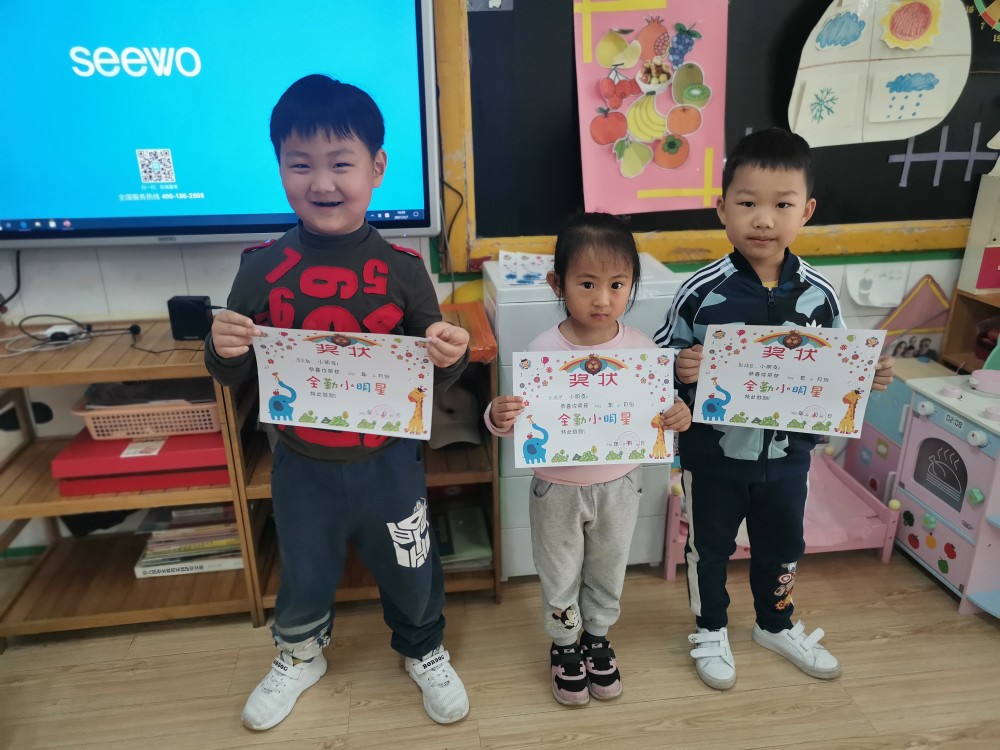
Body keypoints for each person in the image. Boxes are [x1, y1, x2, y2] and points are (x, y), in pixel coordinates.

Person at [205, 74, 472, 730]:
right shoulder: (259, 267)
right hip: (301, 465)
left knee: (411, 565)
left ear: (377, 168)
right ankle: (301, 655)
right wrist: (223, 346)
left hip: (390, 465)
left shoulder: (406, 269)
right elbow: (231, 371)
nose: (321, 182)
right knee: (304, 569)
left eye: (340, 163)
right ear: (279, 167)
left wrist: (449, 354)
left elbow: (432, 375)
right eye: (300, 164)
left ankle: (423, 647)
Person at [654, 128, 895, 691]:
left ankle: (775, 623)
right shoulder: (700, 291)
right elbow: (658, 360)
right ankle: (710, 628)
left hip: (788, 458)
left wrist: (869, 375)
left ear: (806, 210)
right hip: (713, 457)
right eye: (747, 204)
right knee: (709, 547)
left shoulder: (819, 295)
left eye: (782, 205)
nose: (763, 220)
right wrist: (679, 368)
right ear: (722, 208)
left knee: (783, 546)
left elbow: (840, 368)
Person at [486, 212, 692, 705]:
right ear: (558, 284)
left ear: (632, 285)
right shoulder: (542, 349)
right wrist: (498, 415)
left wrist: (679, 415)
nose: (603, 299)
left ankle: (597, 637)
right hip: (556, 488)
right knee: (559, 573)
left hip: (621, 485)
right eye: (587, 284)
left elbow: (661, 414)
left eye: (617, 284)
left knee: (608, 569)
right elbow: (518, 421)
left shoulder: (642, 350)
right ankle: (563, 645)